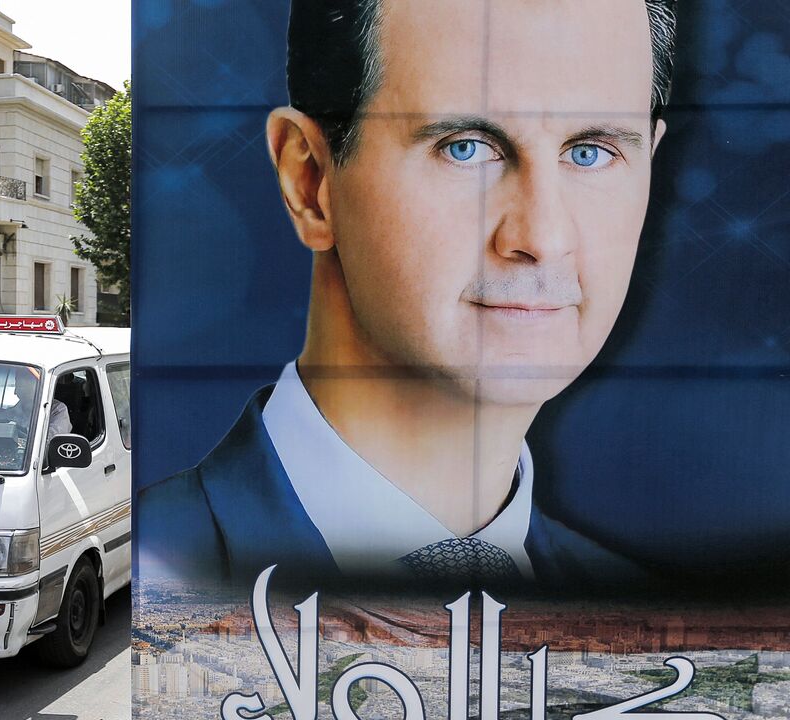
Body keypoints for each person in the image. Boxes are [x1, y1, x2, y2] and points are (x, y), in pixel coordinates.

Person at [139, 0, 677, 588]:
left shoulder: (655, 619)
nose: (543, 238)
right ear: (310, 182)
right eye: (465, 146)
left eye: (591, 152)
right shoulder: (153, 569)